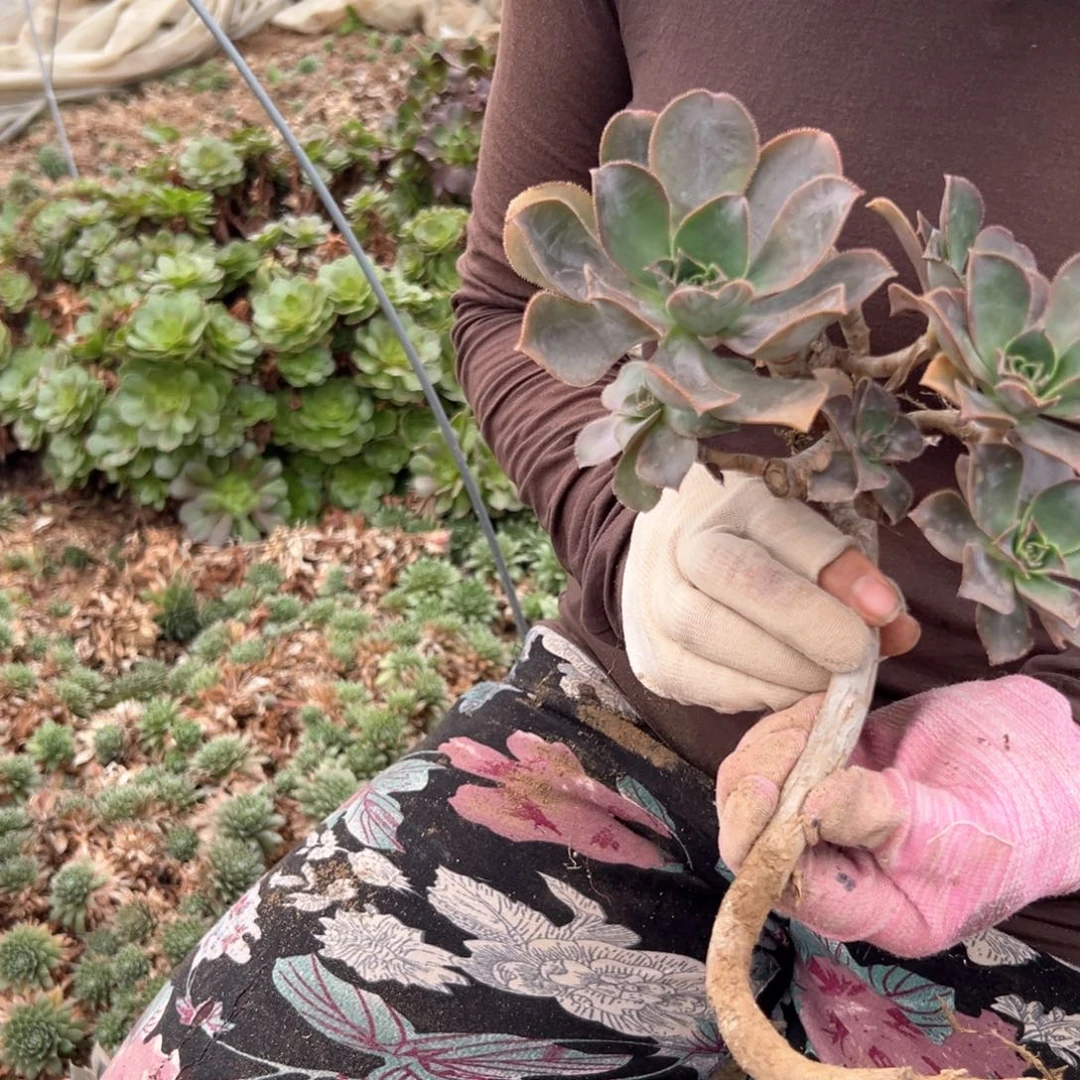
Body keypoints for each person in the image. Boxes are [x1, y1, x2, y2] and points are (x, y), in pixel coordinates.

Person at [104, 1, 1080, 1076]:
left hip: (1046, 905)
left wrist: (1057, 776)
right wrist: (634, 533)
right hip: (648, 738)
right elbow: (509, 300)